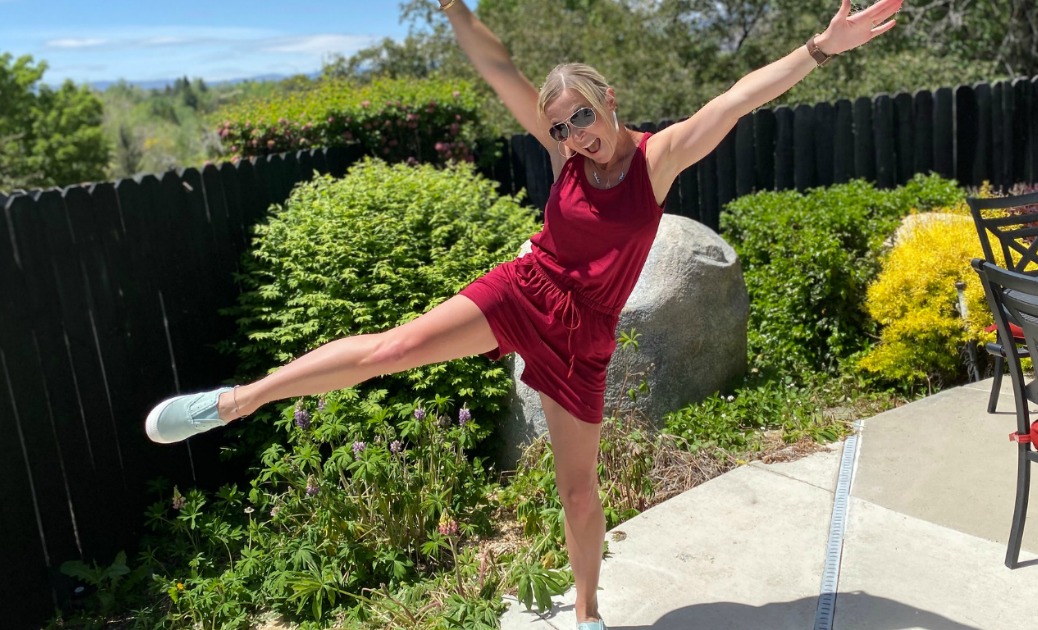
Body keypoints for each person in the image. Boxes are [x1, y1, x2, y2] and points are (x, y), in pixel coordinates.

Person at [144, 1, 902, 627]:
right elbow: (498, 68)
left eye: (581, 117)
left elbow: (739, 96)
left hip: (586, 337)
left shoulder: (658, 158)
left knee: (578, 488)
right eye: (560, 127)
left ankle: (588, 615)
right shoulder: (563, 154)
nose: (573, 136)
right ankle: (237, 401)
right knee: (391, 349)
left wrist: (820, 48)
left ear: (610, 101)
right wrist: (452, 9)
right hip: (525, 290)